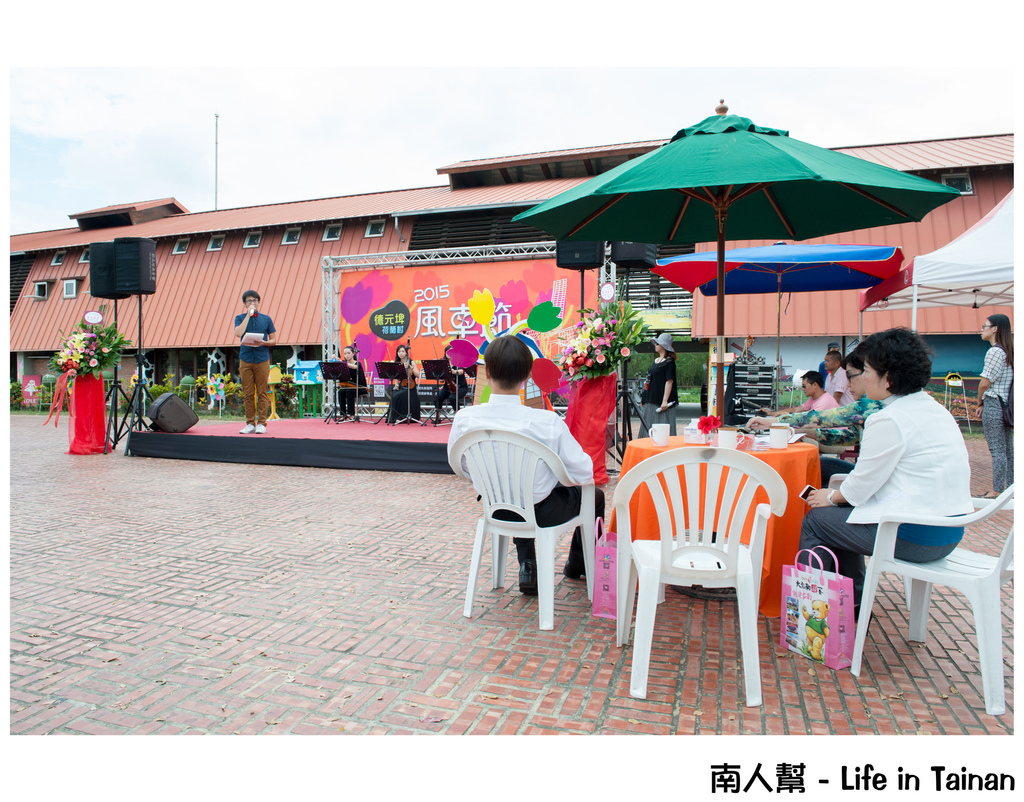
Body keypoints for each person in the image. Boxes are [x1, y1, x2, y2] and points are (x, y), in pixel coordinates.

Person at [798, 328, 974, 614]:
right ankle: (852, 603)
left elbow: (859, 488)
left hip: (913, 536)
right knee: (839, 519)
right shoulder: (934, 408)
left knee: (818, 520)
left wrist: (829, 496)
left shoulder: (889, 418)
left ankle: (811, 613)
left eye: (866, 371)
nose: (861, 379)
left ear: (888, 378)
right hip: (949, 533)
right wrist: (838, 499)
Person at [447, 335, 605, 595]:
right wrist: (554, 475)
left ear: (487, 372)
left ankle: (527, 565)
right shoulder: (546, 421)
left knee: (517, 490)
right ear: (527, 376)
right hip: (543, 513)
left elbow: (461, 466)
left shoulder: (465, 419)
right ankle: (578, 564)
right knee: (594, 496)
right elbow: (584, 472)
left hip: (495, 509)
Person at [748, 353, 883, 485]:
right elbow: (850, 436)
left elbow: (817, 418)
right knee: (815, 465)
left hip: (869, 480)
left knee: (810, 467)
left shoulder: (870, 405)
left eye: (850, 376)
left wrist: (775, 422)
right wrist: (806, 432)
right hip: (867, 476)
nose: (847, 384)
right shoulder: (876, 404)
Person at [975, 314, 1014, 496]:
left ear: (995, 329)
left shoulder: (994, 352)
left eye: (985, 326)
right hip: (1006, 405)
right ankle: (1011, 488)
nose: (982, 329)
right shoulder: (1009, 351)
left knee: (997, 450)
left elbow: (985, 383)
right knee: (1008, 450)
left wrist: (979, 401)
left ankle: (997, 490)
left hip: (993, 403)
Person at [232, 289, 277, 434]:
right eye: (249, 301)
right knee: (248, 393)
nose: (253, 303)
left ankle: (262, 423)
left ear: (259, 302)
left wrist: (264, 342)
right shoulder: (240, 318)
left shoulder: (266, 319)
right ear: (245, 304)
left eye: (255, 301)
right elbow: (238, 333)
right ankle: (250, 423)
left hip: (262, 358)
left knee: (262, 392)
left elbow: (274, 340)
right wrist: (248, 315)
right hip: (245, 358)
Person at [639, 333, 678, 437]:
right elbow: (649, 380)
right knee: (647, 427)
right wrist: (644, 397)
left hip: (661, 403)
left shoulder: (669, 362)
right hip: (650, 399)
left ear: (664, 346)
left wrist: (665, 401)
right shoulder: (655, 361)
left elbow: (669, 381)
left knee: (663, 428)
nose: (655, 345)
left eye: (658, 343)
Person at [762, 371, 838, 417]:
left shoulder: (824, 402)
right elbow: (796, 410)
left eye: (804, 386)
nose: (803, 389)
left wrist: (784, 415)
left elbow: (807, 420)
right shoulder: (814, 398)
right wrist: (772, 413)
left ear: (815, 385)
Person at [386, 344, 421, 424]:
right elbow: (396, 376)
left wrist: (410, 367)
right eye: (399, 352)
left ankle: (402, 417)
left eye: (403, 351)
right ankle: (393, 417)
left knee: (399, 395)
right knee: (394, 395)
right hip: (402, 385)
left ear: (406, 353)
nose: (401, 353)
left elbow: (418, 375)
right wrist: (396, 383)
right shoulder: (397, 363)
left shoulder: (411, 362)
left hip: (410, 386)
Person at [436, 349, 470, 413]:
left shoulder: (458, 362)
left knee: (453, 397)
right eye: (447, 352)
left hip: (460, 387)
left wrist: (454, 371)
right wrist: (440, 377)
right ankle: (438, 415)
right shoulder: (443, 364)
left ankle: (457, 414)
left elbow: (462, 371)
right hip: (448, 387)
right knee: (439, 396)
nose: (448, 353)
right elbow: (441, 381)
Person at [339, 345, 367, 419]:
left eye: (348, 353)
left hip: (359, 387)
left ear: (353, 354)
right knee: (341, 392)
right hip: (348, 386)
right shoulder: (343, 364)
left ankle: (352, 414)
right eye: (345, 354)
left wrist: (343, 363)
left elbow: (355, 367)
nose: (347, 355)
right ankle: (343, 414)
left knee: (349, 391)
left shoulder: (357, 363)